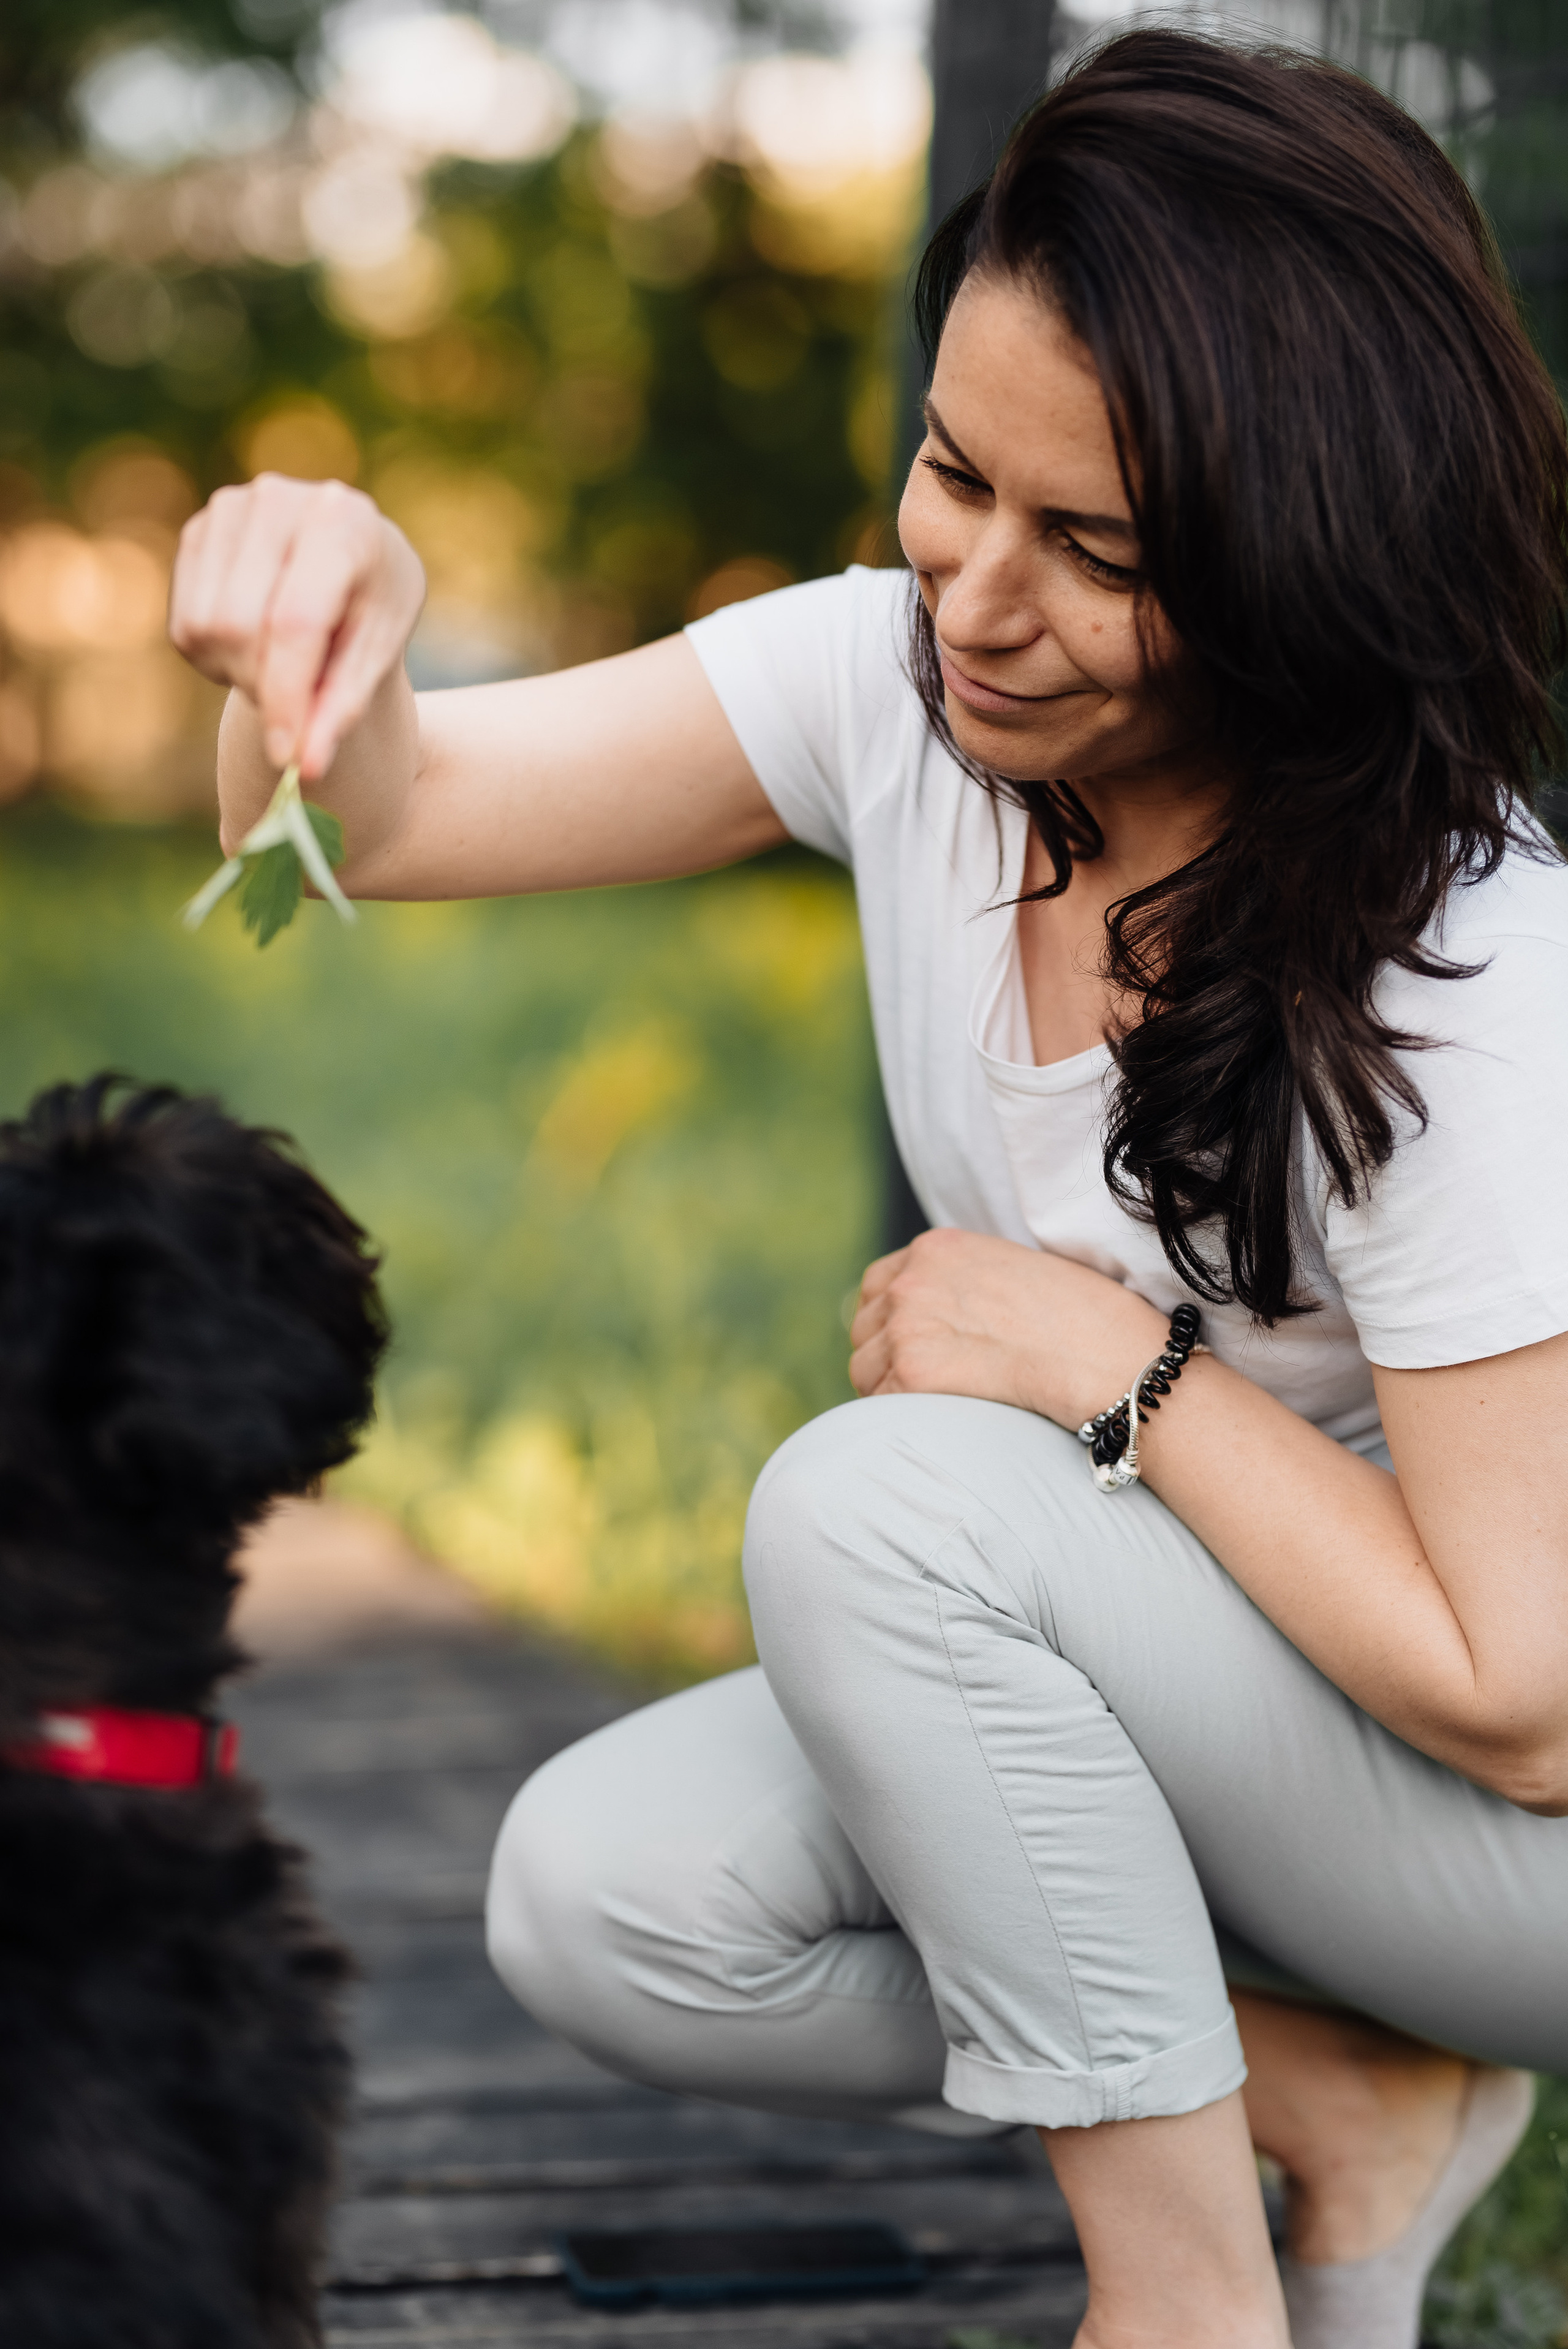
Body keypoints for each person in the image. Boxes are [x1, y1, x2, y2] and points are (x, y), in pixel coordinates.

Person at [168, 31, 1568, 2349]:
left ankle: (1181, 2301)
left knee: (885, 1501)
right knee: (606, 1895)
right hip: (1206, 1719)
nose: (977, 596)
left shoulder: (1462, 966)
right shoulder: (907, 693)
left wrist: (1106, 1359)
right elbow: (370, 827)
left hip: (1501, 1840)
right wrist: (325, 629)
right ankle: (1325, 2096)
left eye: (1094, 550)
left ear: (1292, 570)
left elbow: (1525, 1693)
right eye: (952, 473)